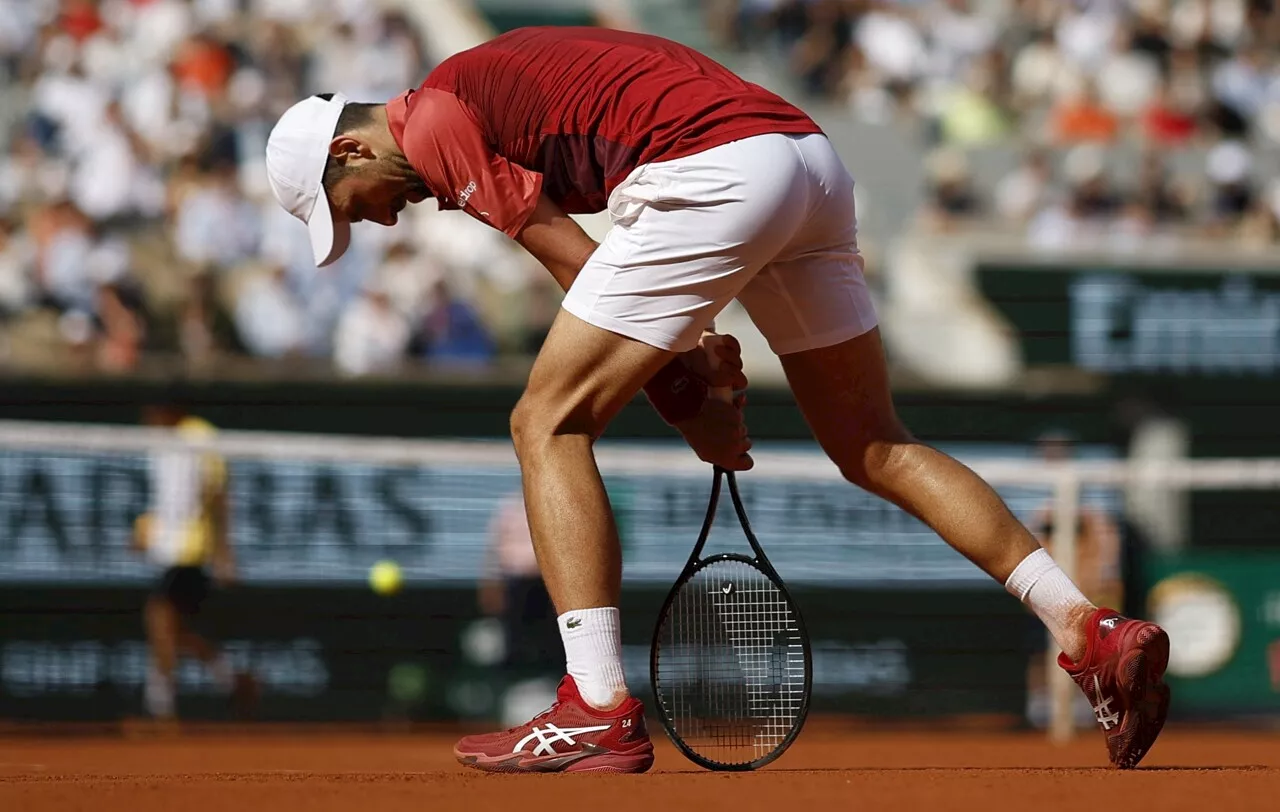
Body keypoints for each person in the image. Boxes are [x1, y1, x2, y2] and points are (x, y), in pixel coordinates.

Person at [265, 26, 1170, 773]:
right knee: (874, 446)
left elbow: (568, 258)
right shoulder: (473, 96)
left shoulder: (428, 121)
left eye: (350, 205)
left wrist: (690, 385)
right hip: (807, 164)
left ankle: (597, 704)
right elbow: (624, 291)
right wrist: (688, 376)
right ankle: (1086, 626)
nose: (373, 221)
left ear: (351, 147)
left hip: (716, 172)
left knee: (544, 421)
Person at [133, 398, 256, 721]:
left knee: (159, 619)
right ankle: (230, 679)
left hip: (192, 548)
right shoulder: (159, 445)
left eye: (154, 412)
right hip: (168, 550)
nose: (149, 419)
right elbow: (168, 499)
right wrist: (146, 530)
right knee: (172, 630)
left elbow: (217, 495)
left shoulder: (198, 436)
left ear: (171, 409)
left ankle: (161, 709)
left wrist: (223, 551)